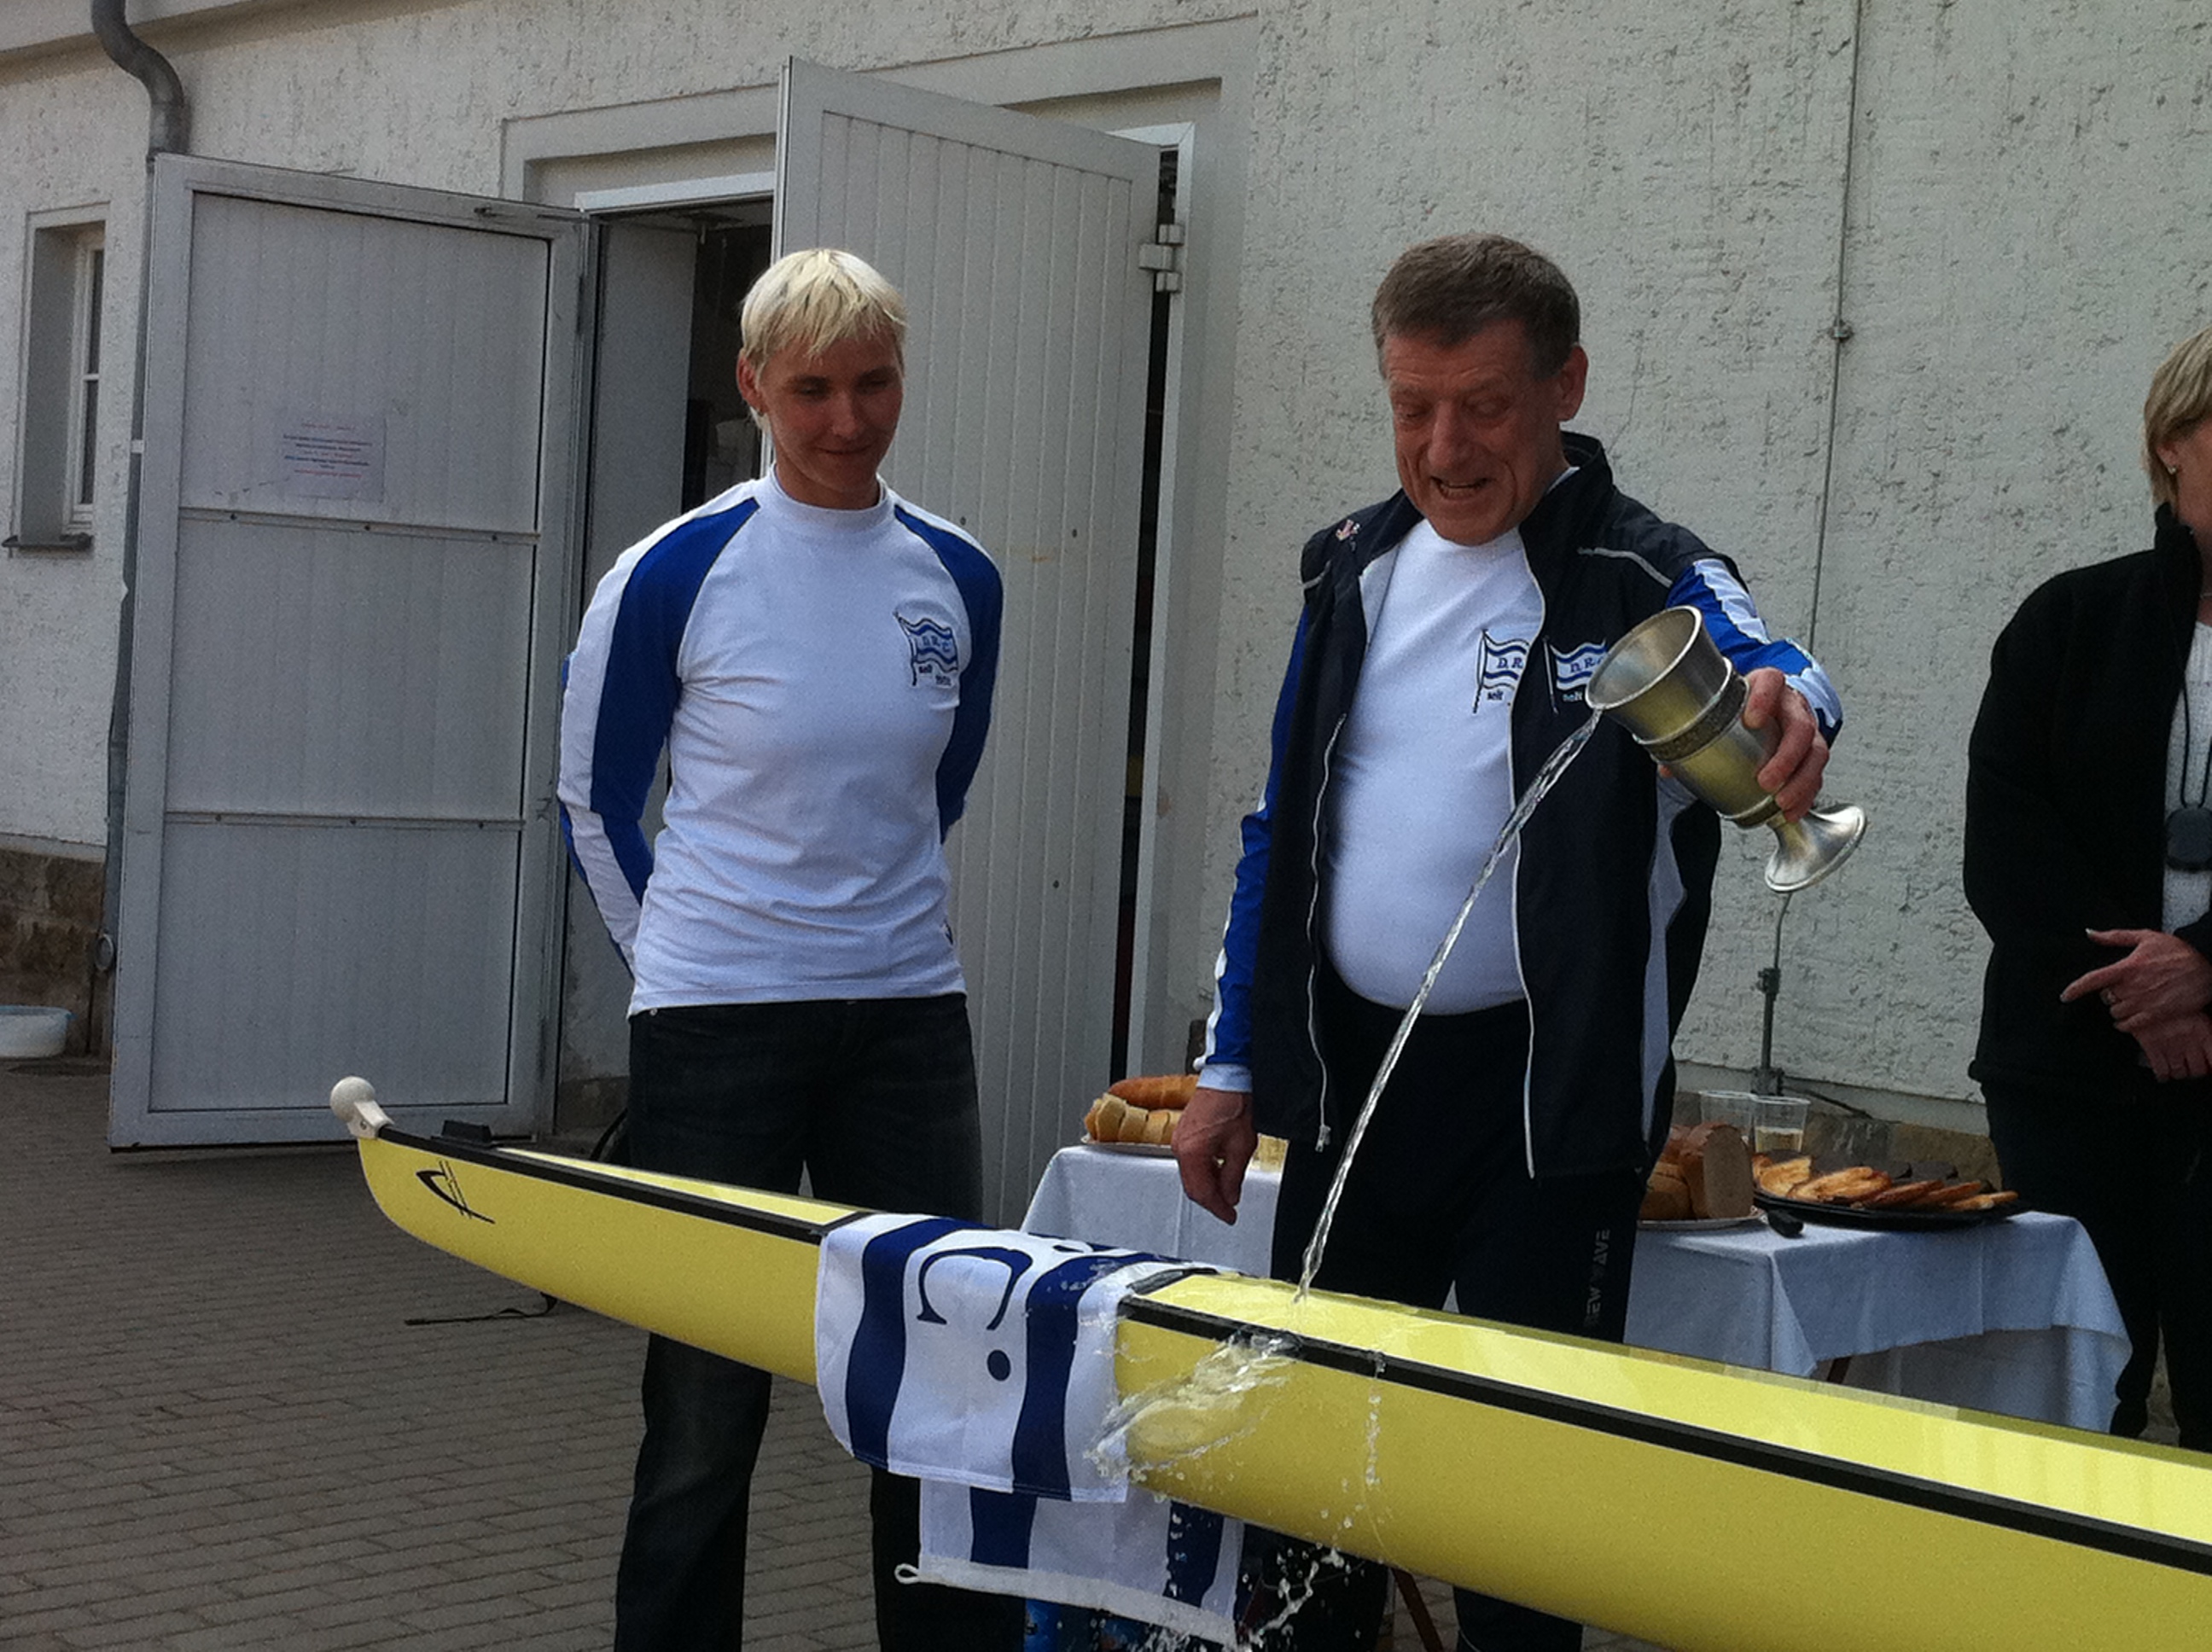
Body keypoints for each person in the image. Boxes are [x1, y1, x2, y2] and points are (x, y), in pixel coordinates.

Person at [1173, 233, 1841, 1652]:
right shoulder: (1349, 563)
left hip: (1550, 1104)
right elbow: (1281, 824)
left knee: (1523, 1522)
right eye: (1412, 407)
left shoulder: (1634, 569)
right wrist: (1231, 1062)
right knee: (1314, 1500)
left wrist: (1794, 702)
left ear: (1564, 387)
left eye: (1482, 406)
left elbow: (1760, 652)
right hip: (1355, 1084)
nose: (1444, 448)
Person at [558, 247, 1023, 1650]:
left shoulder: (959, 574)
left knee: (938, 1382)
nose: (847, 418)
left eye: (873, 383)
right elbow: (593, 798)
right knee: (707, 1403)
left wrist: (874, 924)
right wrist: (673, 964)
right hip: (718, 1025)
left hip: (907, 1020)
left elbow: (934, 789)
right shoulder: (672, 571)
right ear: (754, 387)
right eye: (812, 389)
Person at [1964, 321, 2212, 1455]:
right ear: (2170, 443)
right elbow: (2006, 844)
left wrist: (2205, 969)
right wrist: (2141, 991)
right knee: (2065, 1405)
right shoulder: (2071, 622)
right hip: (2067, 1077)